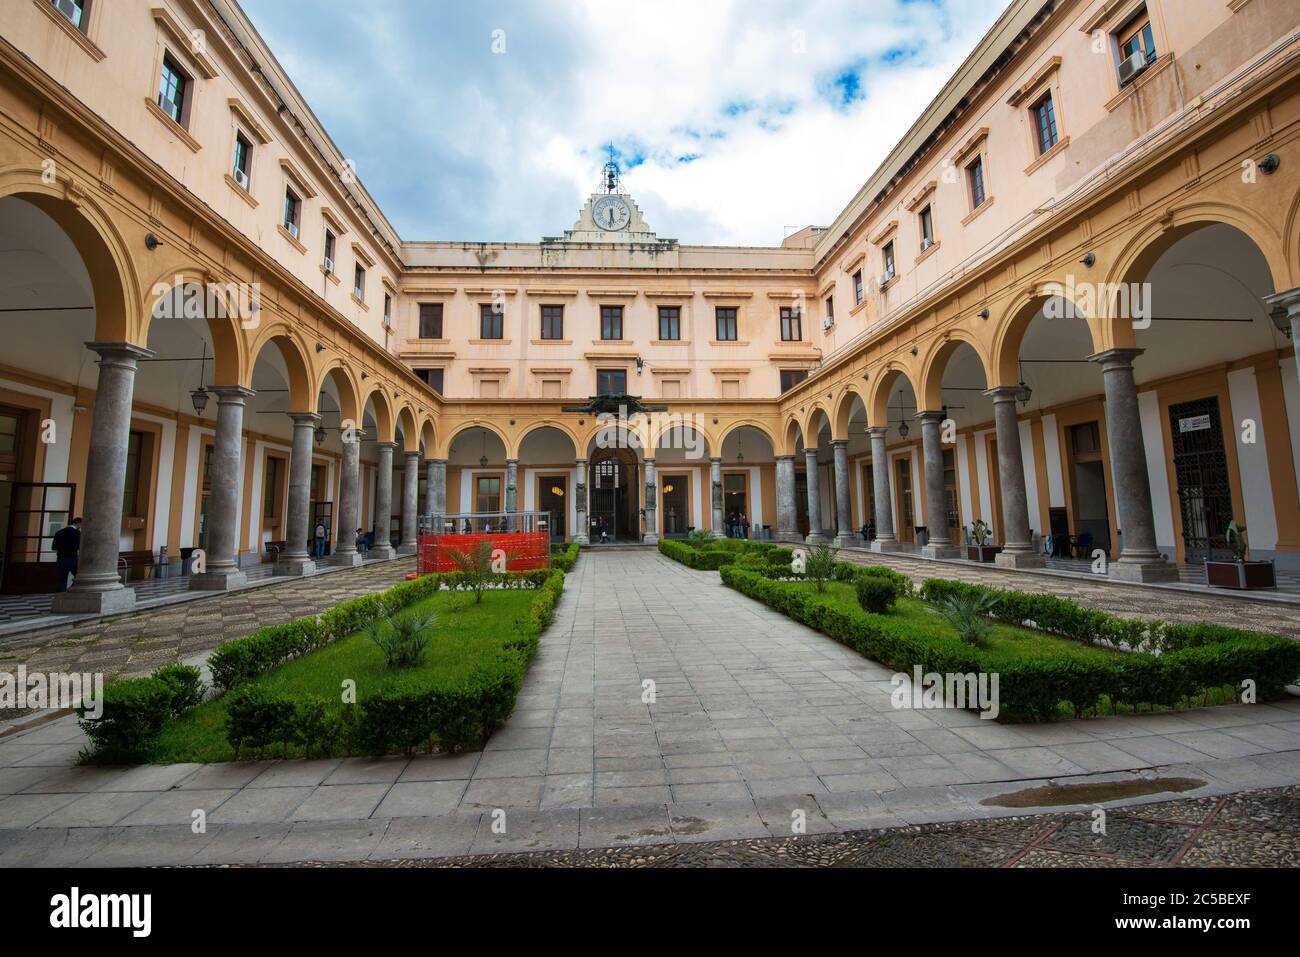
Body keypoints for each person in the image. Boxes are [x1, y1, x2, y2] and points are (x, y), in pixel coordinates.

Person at [52, 516, 82, 592]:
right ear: (78, 523)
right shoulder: (76, 533)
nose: (81, 527)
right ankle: (71, 591)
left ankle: (61, 597)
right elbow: (79, 546)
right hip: (71, 558)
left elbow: (54, 547)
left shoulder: (59, 532)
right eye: (81, 525)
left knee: (62, 580)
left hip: (60, 558)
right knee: (80, 577)